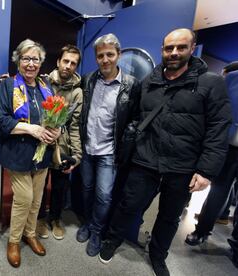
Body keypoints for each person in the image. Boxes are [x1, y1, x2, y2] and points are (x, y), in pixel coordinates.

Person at [98, 28, 232, 276]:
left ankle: (158, 256)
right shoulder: (150, 81)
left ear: (192, 49)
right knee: (128, 205)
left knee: (169, 218)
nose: (174, 53)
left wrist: (205, 171)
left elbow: (218, 128)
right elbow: (138, 116)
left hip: (183, 167)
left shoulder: (210, 83)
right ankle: (112, 240)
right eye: (169, 48)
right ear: (162, 50)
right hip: (145, 161)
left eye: (181, 47)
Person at [0, 39, 61, 268]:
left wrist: (56, 130)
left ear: (41, 62)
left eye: (35, 59)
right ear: (18, 61)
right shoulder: (8, 86)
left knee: (37, 199)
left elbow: (54, 114)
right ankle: (14, 241)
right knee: (24, 198)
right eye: (26, 58)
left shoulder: (46, 86)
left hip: (42, 153)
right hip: (17, 152)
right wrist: (32, 129)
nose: (31, 63)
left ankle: (29, 234)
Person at [76, 33, 140, 257]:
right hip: (87, 148)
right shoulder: (88, 79)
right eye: (100, 55)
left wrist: (126, 142)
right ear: (96, 57)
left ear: (119, 55)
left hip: (109, 153)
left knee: (104, 196)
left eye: (110, 54)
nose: (105, 60)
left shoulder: (131, 85)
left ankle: (95, 230)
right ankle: (86, 222)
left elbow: (134, 118)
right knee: (86, 190)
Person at [185, 61, 238, 246]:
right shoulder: (232, 78)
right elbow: (219, 113)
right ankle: (202, 230)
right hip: (229, 146)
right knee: (218, 190)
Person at [36, 44, 83, 240]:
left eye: (73, 63)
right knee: (39, 185)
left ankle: (55, 219)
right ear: (58, 62)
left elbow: (75, 126)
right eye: (66, 61)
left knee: (59, 187)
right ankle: (38, 218)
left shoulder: (78, 92)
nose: (68, 66)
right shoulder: (43, 82)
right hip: (41, 143)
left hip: (62, 148)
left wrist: (76, 155)